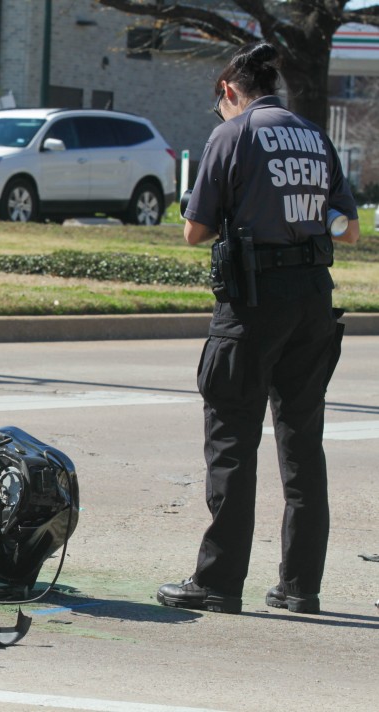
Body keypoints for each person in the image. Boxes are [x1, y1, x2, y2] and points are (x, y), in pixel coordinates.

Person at [157, 42, 360, 615]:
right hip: (313, 300)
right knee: (302, 443)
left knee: (231, 441)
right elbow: (349, 229)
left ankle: (218, 583)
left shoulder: (234, 134)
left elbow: (195, 232)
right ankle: (301, 586)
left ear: (228, 91)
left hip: (253, 304)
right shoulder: (314, 135)